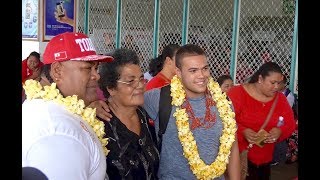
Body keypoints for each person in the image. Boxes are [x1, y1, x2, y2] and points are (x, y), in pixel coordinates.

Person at [93, 44, 241, 179]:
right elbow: (123, 99)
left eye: (205, 68)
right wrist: (93, 105)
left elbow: (232, 148)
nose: (201, 76)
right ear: (178, 72)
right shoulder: (159, 98)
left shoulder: (224, 103)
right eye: (193, 70)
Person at [22, 32, 114, 180]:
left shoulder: (52, 110)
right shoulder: (58, 134)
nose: (96, 76)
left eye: (96, 69)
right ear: (57, 70)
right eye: (87, 68)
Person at [98, 48, 160, 179]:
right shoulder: (100, 127)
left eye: (141, 79)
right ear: (111, 88)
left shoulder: (144, 116)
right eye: (131, 81)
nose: (140, 86)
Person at [227, 62, 296, 180]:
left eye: (279, 83)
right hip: (237, 157)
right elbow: (223, 120)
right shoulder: (237, 94)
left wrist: (279, 131)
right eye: (272, 83)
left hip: (264, 161)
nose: (276, 87)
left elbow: (289, 124)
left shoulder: (280, 99)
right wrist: (242, 131)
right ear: (260, 79)